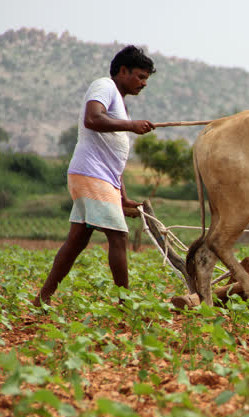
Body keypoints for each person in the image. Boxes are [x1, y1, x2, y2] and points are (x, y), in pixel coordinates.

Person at [33, 45, 156, 307]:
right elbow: (92, 119)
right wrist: (131, 126)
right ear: (122, 71)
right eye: (140, 76)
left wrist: (122, 196)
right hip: (91, 174)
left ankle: (42, 298)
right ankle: (124, 304)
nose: (144, 83)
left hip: (98, 176)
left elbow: (112, 156)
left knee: (76, 241)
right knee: (119, 237)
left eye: (146, 78)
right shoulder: (104, 86)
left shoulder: (119, 102)